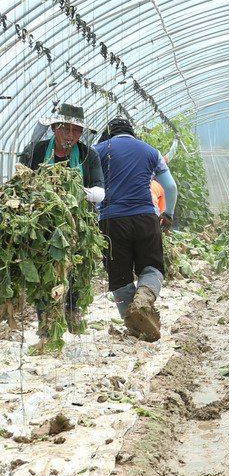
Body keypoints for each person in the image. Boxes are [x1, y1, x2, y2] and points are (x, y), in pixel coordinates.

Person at [19, 103, 106, 332]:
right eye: (65, 129)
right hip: (41, 224)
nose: (71, 135)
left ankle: (72, 312)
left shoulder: (89, 155)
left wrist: (77, 192)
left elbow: (100, 192)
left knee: (76, 271)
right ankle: (46, 323)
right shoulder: (34, 151)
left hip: (78, 225)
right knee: (44, 272)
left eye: (76, 130)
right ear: (54, 127)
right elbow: (20, 184)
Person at [93, 117, 178, 342]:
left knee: (119, 275)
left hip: (111, 220)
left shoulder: (97, 150)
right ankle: (144, 298)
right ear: (132, 133)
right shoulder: (151, 151)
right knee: (152, 266)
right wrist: (168, 213)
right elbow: (170, 186)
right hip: (146, 218)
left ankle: (134, 324)